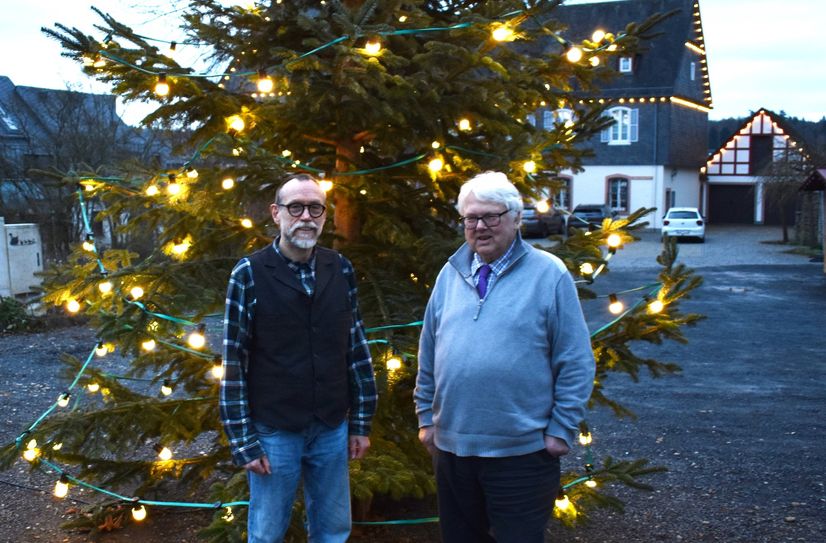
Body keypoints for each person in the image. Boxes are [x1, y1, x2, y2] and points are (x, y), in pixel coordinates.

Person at [414, 171, 595, 543]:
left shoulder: (549, 274)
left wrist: (560, 430)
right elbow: (429, 351)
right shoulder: (450, 274)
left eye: (490, 216)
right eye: (470, 218)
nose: (479, 226)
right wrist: (425, 419)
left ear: (515, 218)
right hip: (452, 452)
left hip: (522, 455)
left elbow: (575, 359)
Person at [219, 173, 377, 543]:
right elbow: (233, 363)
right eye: (296, 207)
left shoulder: (339, 268)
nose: (306, 216)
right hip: (275, 430)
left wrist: (361, 422)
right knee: (268, 532)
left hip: (332, 427)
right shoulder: (249, 274)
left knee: (334, 529)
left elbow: (356, 347)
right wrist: (243, 440)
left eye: (315, 208)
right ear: (276, 213)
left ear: (324, 215)